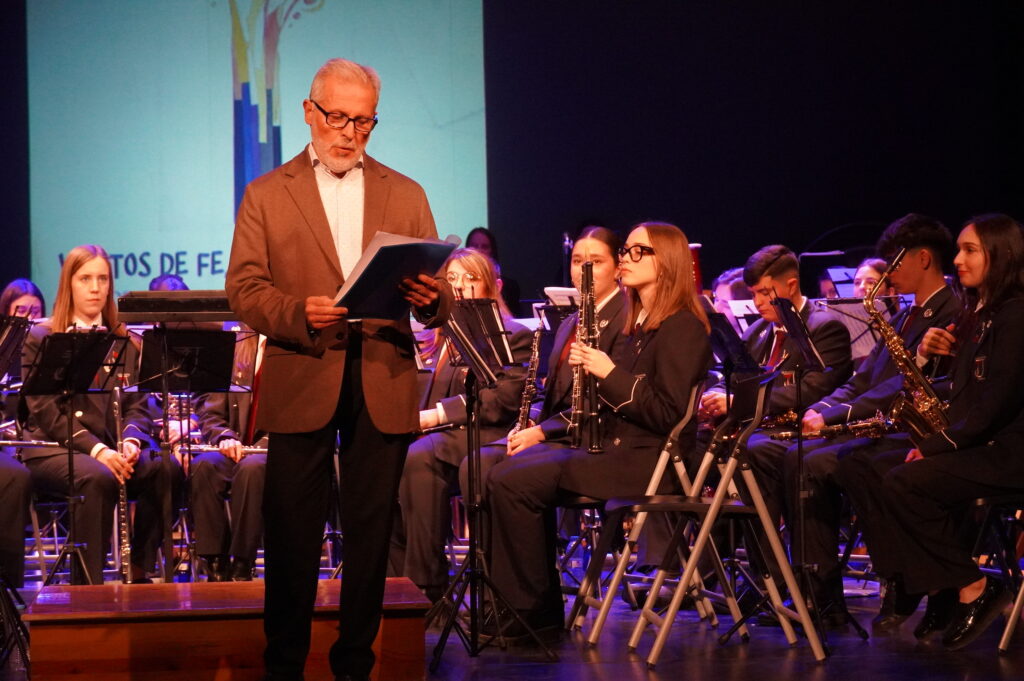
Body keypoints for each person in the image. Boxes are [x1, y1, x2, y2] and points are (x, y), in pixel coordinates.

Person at [225, 58, 450, 681]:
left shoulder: (406, 192)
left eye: (364, 121)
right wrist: (297, 312)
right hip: (304, 367)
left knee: (371, 534)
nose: (350, 133)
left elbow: (438, 295)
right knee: (292, 535)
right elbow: (245, 288)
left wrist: (432, 299)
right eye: (338, 117)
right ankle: (285, 665)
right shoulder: (267, 193)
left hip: (382, 374)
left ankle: (355, 664)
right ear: (309, 112)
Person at [485, 222, 712, 637]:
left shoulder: (683, 327)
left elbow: (668, 414)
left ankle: (531, 613)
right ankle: (522, 605)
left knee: (514, 481)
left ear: (667, 262)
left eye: (638, 251)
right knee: (504, 469)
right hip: (616, 449)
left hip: (650, 461)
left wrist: (607, 373)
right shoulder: (638, 326)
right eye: (626, 250)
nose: (626, 258)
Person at [839, 214, 1024, 649]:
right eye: (959, 249)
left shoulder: (1016, 316)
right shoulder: (980, 314)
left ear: (1002, 254)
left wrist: (936, 445)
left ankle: (973, 586)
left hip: (1007, 452)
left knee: (906, 482)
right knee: (859, 466)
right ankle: (925, 583)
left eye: (970, 250)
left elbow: (994, 405)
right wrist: (943, 355)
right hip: (978, 442)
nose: (957, 259)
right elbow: (967, 386)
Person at [779, 214, 959, 621]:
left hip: (909, 432)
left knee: (827, 462)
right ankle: (816, 588)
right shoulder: (904, 316)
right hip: (880, 423)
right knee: (796, 456)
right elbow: (863, 381)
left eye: (895, 262)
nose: (889, 272)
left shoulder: (951, 311)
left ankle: (895, 577)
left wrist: (836, 416)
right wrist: (822, 409)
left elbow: (904, 386)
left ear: (923, 258)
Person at [18, 244, 172, 584]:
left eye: (102, 279)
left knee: (166, 468)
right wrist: (99, 450)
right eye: (85, 278)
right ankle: (88, 584)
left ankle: (140, 570)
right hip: (52, 449)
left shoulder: (123, 338)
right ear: (69, 284)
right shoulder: (41, 336)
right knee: (98, 476)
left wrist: (131, 440)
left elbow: (137, 403)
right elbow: (44, 411)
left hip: (112, 448)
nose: (95, 288)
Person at [390, 248, 531, 602]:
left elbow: (503, 401)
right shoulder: (439, 337)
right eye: (451, 279)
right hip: (444, 437)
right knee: (381, 458)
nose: (459, 287)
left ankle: (426, 586)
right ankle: (393, 582)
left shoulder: (513, 334)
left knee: (419, 455)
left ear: (493, 286)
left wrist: (436, 416)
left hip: (489, 434)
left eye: (471, 279)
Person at [699, 244, 853, 523]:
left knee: (749, 449)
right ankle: (711, 539)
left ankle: (764, 541)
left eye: (764, 293)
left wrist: (739, 403)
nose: (757, 302)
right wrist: (713, 396)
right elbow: (733, 376)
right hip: (760, 427)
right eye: (753, 294)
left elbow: (811, 390)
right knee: (696, 441)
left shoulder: (824, 327)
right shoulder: (757, 330)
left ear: (791, 286)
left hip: (800, 429)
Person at [189, 328, 267, 582]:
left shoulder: (290, 349)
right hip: (233, 444)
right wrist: (224, 436)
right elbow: (209, 410)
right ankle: (214, 562)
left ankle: (243, 562)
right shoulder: (233, 348)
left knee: (251, 469)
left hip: (274, 446)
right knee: (205, 465)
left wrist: (260, 445)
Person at [0, 278, 45, 588]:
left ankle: (9, 588)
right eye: (21, 311)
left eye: (35, 311)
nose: (29, 317)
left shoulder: (48, 341)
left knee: (17, 477)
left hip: (33, 434)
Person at [466, 226, 521, 315]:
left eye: (484, 247)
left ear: (492, 251)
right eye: (474, 246)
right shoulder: (458, 285)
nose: (479, 250)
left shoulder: (510, 287)